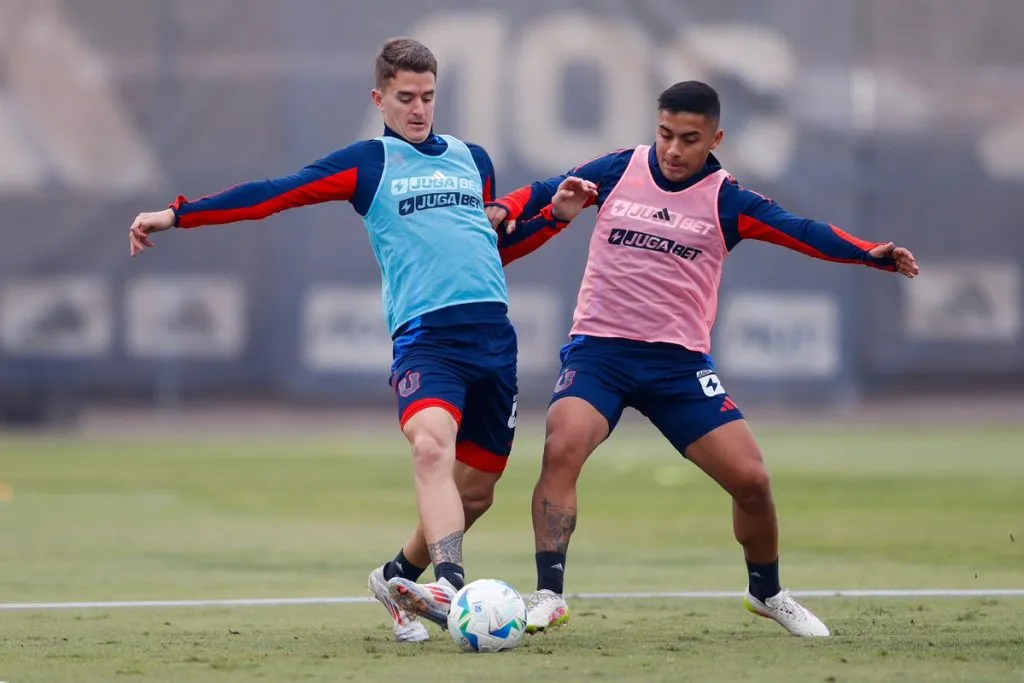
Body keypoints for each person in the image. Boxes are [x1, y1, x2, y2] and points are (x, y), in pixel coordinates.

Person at [127, 37, 589, 643]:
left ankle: (397, 578)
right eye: (405, 98)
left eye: (427, 97)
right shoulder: (368, 164)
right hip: (427, 340)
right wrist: (177, 214)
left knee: (475, 494)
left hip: (493, 342)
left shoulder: (472, 159)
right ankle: (451, 587)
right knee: (431, 450)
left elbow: (490, 251)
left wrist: (553, 219)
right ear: (379, 99)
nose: (418, 109)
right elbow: (273, 194)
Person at [481, 80, 920, 638]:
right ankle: (548, 594)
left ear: (716, 137)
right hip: (600, 353)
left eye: (689, 139)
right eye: (665, 134)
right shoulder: (621, 168)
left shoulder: (727, 200)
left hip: (679, 367)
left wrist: (869, 254)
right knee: (562, 447)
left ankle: (767, 592)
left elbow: (801, 231)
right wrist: (504, 205)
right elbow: (546, 189)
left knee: (753, 480)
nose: (672, 149)